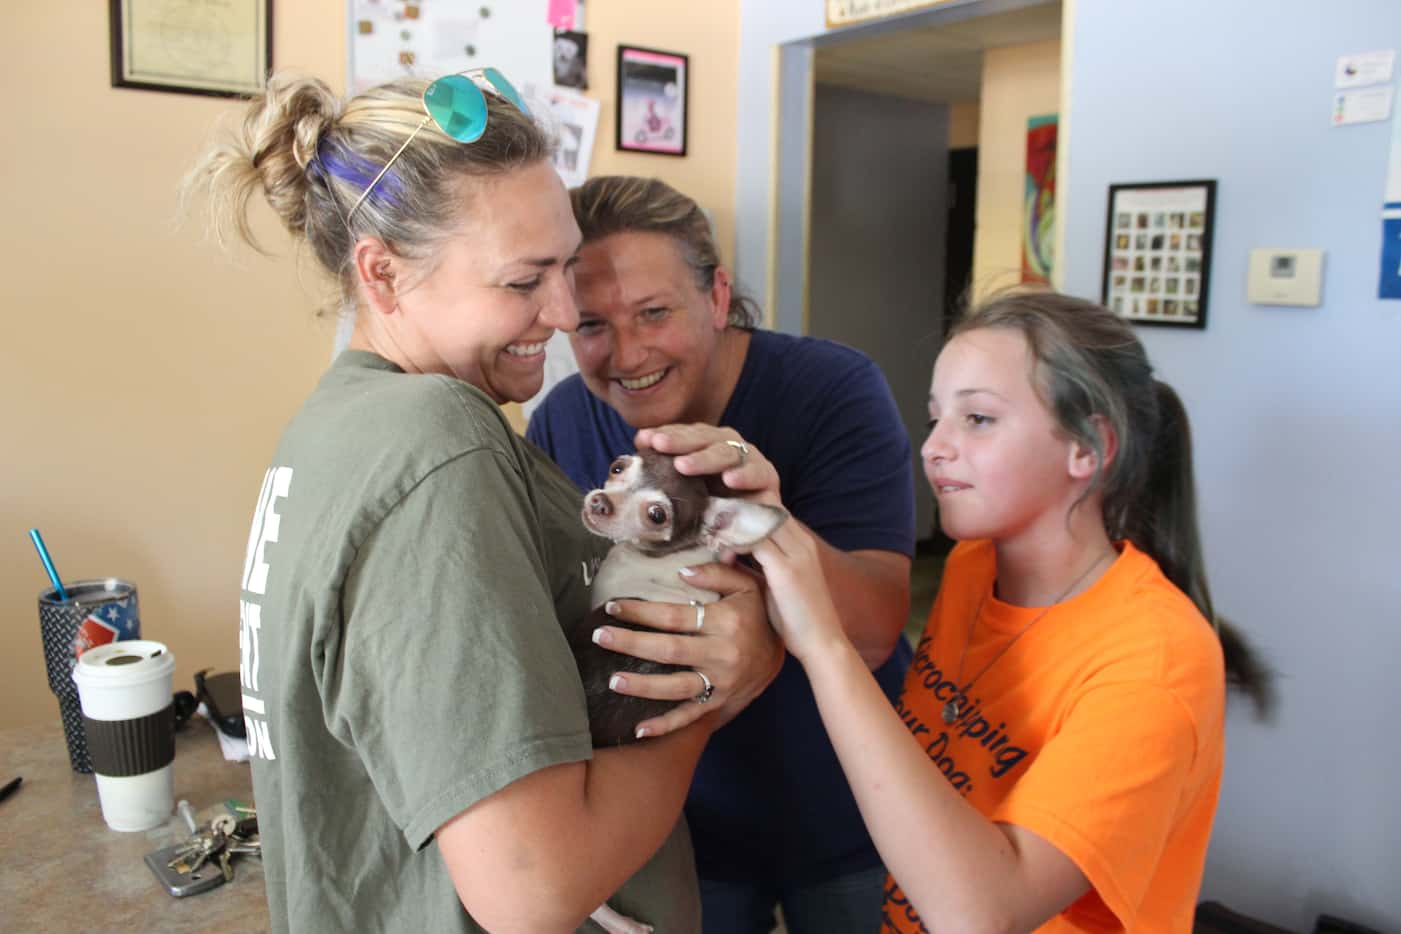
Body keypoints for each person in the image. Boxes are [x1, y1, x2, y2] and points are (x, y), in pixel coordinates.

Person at [188, 71, 781, 933]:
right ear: (382, 274)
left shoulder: (333, 427)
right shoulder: (436, 440)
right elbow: (532, 890)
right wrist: (711, 691)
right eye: (522, 281)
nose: (565, 311)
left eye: (566, 266)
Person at [751, 290, 1273, 933]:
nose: (933, 448)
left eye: (977, 420)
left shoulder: (1155, 658)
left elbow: (982, 915)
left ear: (1087, 447)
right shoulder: (974, 566)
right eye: (935, 417)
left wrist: (826, 646)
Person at [527, 175, 917, 932]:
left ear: (716, 296)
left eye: (654, 312)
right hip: (673, 822)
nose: (627, 354)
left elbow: (873, 630)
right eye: (591, 325)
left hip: (848, 808)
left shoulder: (831, 390)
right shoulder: (561, 423)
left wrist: (765, 547)